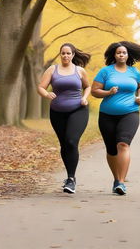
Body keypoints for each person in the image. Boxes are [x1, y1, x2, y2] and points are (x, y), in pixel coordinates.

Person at [91, 41, 140, 195]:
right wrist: (108, 92)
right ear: (114, 55)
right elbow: (94, 91)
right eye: (118, 53)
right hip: (107, 115)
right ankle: (116, 179)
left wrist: (139, 97)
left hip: (130, 112)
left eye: (124, 52)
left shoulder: (134, 72)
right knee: (111, 150)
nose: (121, 55)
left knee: (123, 144)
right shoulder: (105, 72)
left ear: (128, 55)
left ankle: (121, 182)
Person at [38, 43, 91, 194]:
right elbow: (40, 87)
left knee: (71, 141)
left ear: (73, 55)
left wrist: (85, 98)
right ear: (60, 54)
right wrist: (46, 94)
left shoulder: (79, 70)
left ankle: (71, 179)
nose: (66, 56)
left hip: (78, 110)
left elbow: (87, 86)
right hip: (57, 112)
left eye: (68, 53)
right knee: (64, 144)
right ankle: (69, 178)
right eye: (63, 53)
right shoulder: (52, 69)